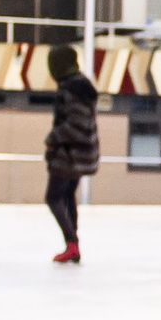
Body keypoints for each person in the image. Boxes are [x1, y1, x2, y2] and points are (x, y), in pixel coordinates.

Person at [41, 44, 99, 264]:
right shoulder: (80, 85)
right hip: (80, 153)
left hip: (70, 154)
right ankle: (72, 245)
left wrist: (52, 139)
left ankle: (72, 243)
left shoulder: (72, 88)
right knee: (66, 196)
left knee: (54, 197)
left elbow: (76, 123)